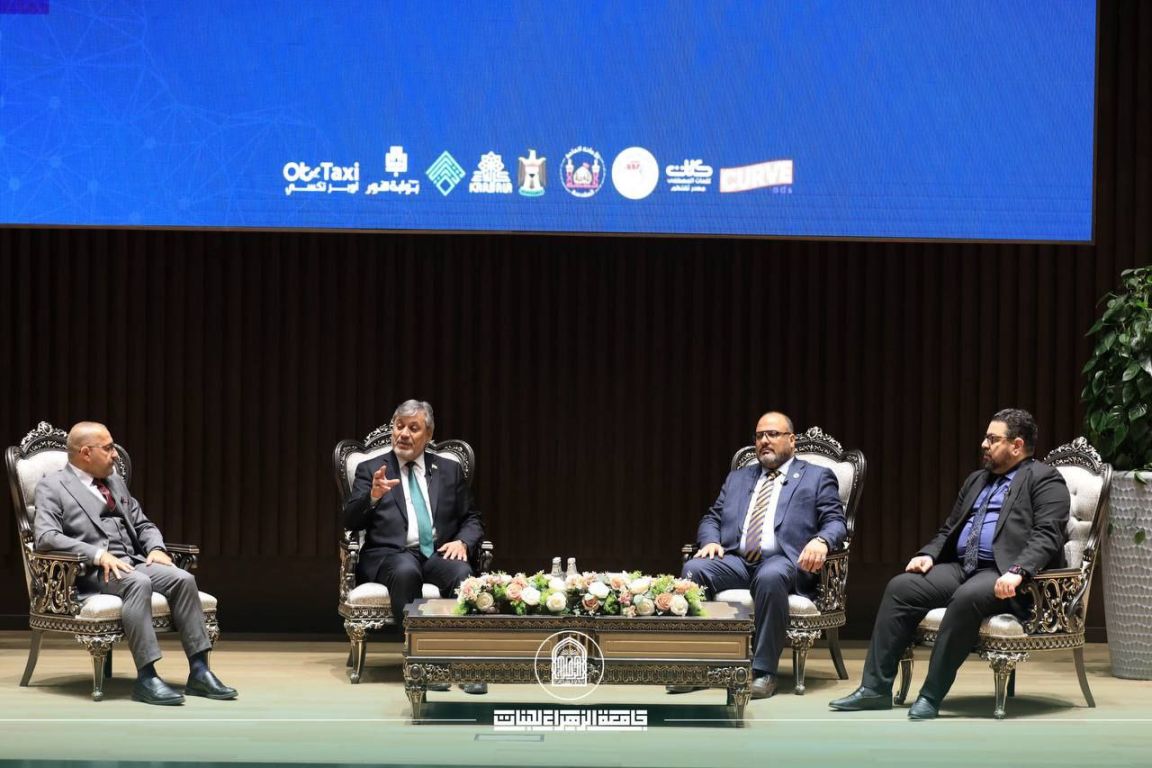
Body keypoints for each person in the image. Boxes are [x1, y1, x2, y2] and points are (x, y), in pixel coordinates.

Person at [829, 408, 1070, 719]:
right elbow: (949, 528)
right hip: (962, 566)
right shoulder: (977, 480)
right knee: (901, 588)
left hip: (1003, 573)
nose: (984, 444)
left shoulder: (1045, 479)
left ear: (1017, 445)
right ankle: (874, 689)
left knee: (966, 597)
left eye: (992, 439)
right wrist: (928, 554)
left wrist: (1018, 571)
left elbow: (1047, 535)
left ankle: (931, 695)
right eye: (986, 438)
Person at [33, 422, 237, 705]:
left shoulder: (114, 481)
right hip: (90, 571)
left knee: (182, 578)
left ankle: (200, 672)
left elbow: (143, 524)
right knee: (138, 583)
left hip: (132, 561)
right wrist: (97, 554)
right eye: (108, 448)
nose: (115, 454)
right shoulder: (52, 486)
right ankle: (147, 677)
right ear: (85, 453)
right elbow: (46, 537)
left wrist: (156, 548)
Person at [675, 411, 847, 699]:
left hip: (785, 561)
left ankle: (764, 672)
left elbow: (836, 521)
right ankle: (700, 666)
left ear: (791, 440)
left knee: (770, 576)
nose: (764, 440)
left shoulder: (816, 476)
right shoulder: (738, 477)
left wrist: (821, 541)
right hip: (738, 561)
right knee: (695, 569)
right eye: (759, 436)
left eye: (772, 434)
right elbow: (712, 517)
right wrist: (711, 540)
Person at [343, 399, 487, 694]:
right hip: (389, 555)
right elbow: (350, 520)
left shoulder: (448, 470)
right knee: (406, 571)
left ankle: (465, 663)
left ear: (428, 434)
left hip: (436, 552)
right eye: (399, 426)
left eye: (413, 428)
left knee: (462, 573)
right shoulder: (371, 469)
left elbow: (472, 517)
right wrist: (372, 496)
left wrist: (463, 541)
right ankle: (424, 661)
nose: (403, 434)